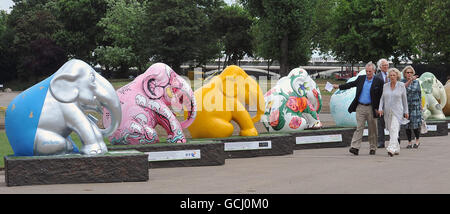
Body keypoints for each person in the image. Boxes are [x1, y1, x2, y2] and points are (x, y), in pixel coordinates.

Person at [333, 62, 384, 156]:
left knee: (372, 129)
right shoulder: (361, 79)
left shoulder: (378, 81)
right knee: (359, 127)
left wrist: (379, 108)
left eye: (370, 71)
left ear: (374, 71)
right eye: (367, 71)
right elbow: (351, 84)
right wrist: (339, 86)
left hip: (372, 108)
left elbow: (381, 96)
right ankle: (355, 147)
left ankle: (373, 147)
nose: (368, 73)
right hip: (360, 106)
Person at [378, 68, 409, 157]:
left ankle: (391, 148)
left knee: (394, 128)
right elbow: (382, 99)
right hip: (387, 112)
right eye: (390, 75)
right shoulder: (385, 86)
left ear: (397, 76)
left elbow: (404, 100)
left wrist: (406, 111)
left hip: (398, 111)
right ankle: (397, 148)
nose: (392, 77)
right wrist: (380, 108)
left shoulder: (401, 85)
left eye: (394, 75)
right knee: (391, 130)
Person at [401, 66, 422, 149]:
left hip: (415, 105)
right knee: (407, 125)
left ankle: (417, 140)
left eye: (411, 72)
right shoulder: (402, 82)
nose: (409, 74)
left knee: (415, 125)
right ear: (404, 74)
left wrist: (420, 105)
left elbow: (419, 93)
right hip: (406, 106)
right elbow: (405, 89)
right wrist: (410, 80)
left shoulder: (416, 82)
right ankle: (409, 142)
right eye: (407, 72)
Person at [375, 58, 390, 148]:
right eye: (384, 65)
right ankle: (381, 142)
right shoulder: (376, 76)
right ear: (380, 67)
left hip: (391, 103)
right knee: (380, 124)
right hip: (380, 102)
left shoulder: (392, 74)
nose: (386, 67)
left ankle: (395, 140)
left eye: (387, 65)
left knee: (392, 121)